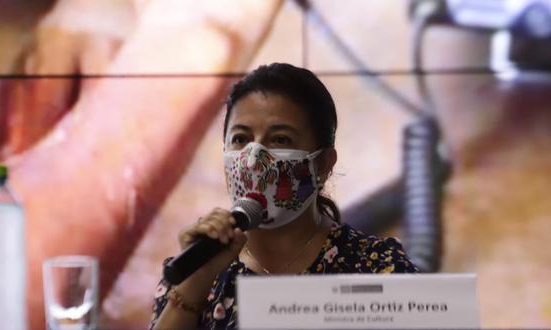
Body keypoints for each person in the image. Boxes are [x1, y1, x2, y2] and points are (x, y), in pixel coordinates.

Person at [149, 63, 418, 330]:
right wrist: (192, 287)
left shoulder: (374, 267)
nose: (253, 159)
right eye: (241, 138)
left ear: (323, 164)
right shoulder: (194, 267)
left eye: (280, 140)